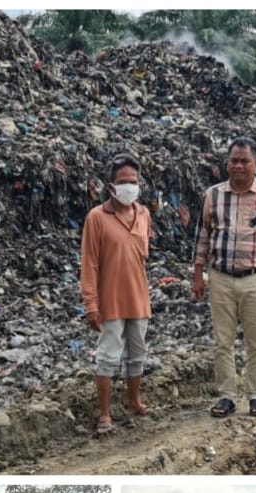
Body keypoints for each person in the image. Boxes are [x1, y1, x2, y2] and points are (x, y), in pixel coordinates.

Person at [192, 136, 256, 419]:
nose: (238, 166)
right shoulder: (213, 195)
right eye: (233, 160)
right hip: (220, 277)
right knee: (222, 341)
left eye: (244, 161)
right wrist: (198, 275)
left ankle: (255, 395)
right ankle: (227, 396)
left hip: (255, 278)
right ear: (227, 164)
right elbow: (202, 236)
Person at [80, 153, 152, 435]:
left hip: (138, 297)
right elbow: (89, 264)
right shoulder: (97, 218)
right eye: (123, 182)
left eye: (133, 181)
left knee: (137, 354)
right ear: (111, 186)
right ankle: (104, 413)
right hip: (109, 300)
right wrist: (90, 304)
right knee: (108, 357)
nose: (128, 187)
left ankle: (134, 402)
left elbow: (142, 256)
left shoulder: (143, 214)